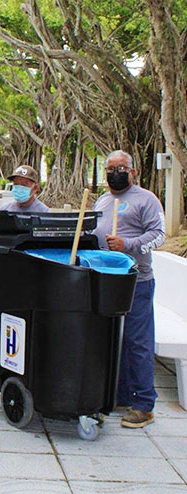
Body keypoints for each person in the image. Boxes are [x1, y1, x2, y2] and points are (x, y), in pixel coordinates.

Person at [92, 150, 165, 428]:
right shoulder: (102, 200)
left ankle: (144, 404)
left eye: (121, 168)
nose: (115, 173)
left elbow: (159, 235)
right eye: (110, 168)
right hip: (107, 280)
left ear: (132, 172)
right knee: (115, 340)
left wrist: (128, 245)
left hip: (137, 281)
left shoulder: (146, 199)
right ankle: (121, 395)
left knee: (138, 342)